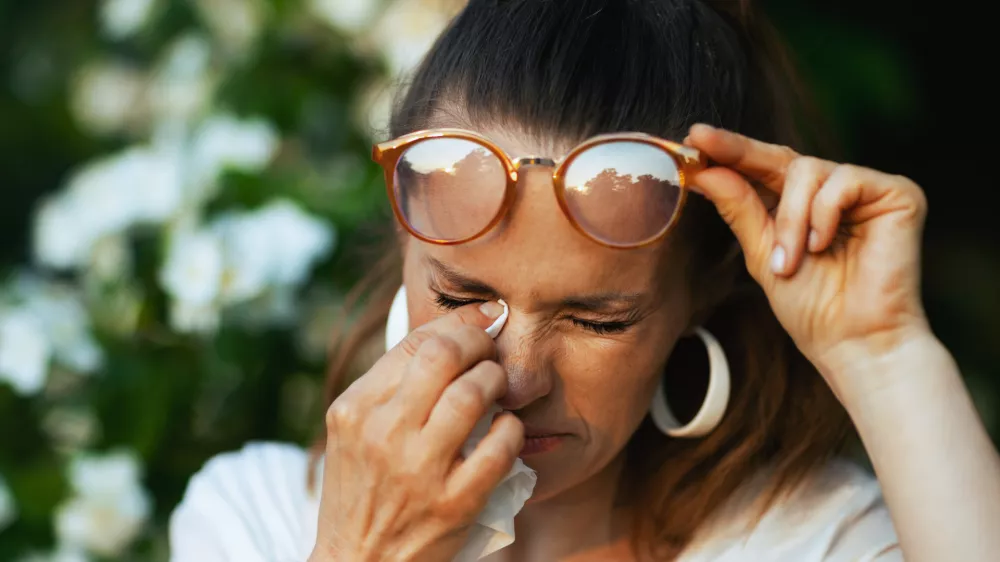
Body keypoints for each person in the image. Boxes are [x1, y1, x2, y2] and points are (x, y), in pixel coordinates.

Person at [168, 1, 1000, 560]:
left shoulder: (808, 537)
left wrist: (885, 355)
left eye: (598, 319)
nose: (518, 375)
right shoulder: (258, 518)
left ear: (700, 293)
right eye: (460, 297)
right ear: (404, 241)